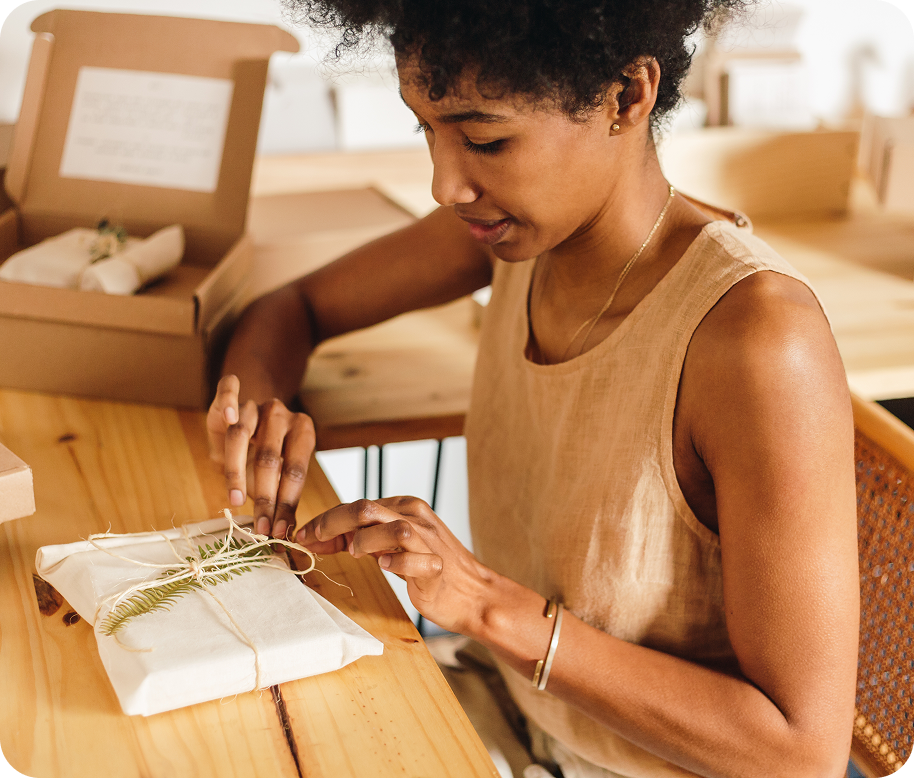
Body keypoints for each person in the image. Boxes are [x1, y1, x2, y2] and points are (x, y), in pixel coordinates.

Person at [206, 2, 860, 776]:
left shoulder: (755, 341)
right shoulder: (515, 235)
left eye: (485, 140)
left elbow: (800, 751)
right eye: (427, 129)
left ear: (627, 97)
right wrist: (260, 414)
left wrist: (487, 606)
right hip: (516, 717)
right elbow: (294, 307)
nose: (445, 183)